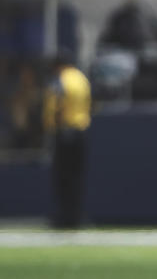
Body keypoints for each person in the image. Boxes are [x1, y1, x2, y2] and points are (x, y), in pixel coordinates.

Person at [42, 51, 91, 229]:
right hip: (81, 131)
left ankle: (63, 217)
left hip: (63, 132)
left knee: (62, 178)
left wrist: (49, 126)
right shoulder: (81, 79)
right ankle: (76, 216)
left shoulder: (60, 79)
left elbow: (53, 105)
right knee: (77, 177)